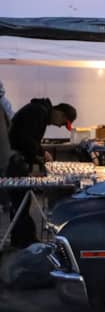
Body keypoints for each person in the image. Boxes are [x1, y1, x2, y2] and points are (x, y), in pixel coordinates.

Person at [7, 99, 76, 248]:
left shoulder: (40, 113)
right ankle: (24, 241)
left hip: (17, 159)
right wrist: (41, 152)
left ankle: (21, 239)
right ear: (59, 112)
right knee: (21, 201)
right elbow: (25, 139)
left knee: (21, 201)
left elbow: (27, 141)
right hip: (14, 160)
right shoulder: (38, 112)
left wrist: (38, 158)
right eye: (63, 122)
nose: (59, 126)